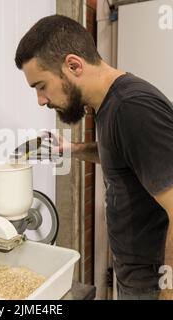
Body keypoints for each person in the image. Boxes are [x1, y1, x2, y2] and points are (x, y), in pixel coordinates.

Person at [14, 14, 173, 300]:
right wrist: (72, 149)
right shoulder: (109, 105)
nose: (41, 100)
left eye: (41, 86)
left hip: (154, 283)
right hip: (134, 276)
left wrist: (168, 292)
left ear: (73, 65)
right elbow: (122, 154)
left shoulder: (132, 108)